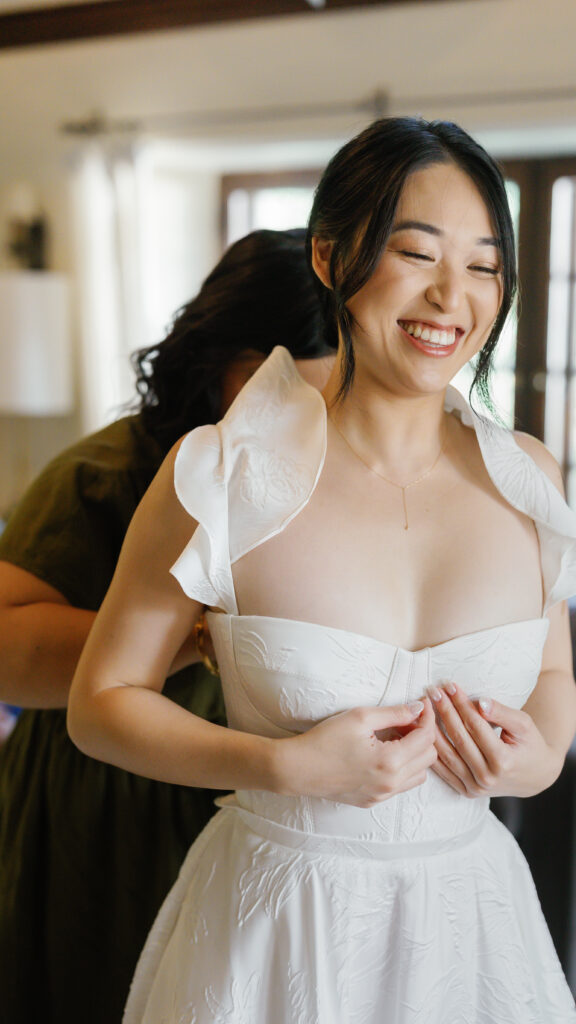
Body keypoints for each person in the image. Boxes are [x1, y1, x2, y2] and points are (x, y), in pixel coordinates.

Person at [68, 118, 576, 1023]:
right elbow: (102, 704)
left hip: (470, 922)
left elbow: (551, 675)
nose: (451, 297)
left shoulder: (527, 477)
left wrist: (542, 756)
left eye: (482, 266)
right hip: (277, 926)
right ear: (331, 259)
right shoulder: (222, 469)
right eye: (417, 253)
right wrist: (280, 767)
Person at [0, 228, 334, 1024]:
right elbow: (6, 650)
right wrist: (196, 639)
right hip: (110, 807)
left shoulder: (340, 479)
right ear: (228, 363)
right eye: (289, 390)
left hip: (270, 818)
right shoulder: (107, 474)